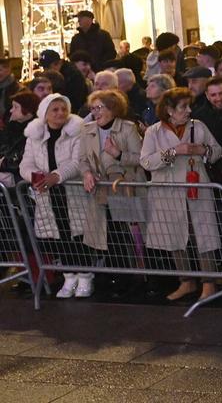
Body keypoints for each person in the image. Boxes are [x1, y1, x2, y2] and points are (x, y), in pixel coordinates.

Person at [139, 87, 222, 302]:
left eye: (189, 106)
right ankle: (186, 281)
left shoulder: (199, 126)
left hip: (197, 188)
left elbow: (217, 152)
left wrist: (203, 151)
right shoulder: (153, 132)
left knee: (203, 235)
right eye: (183, 107)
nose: (188, 111)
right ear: (169, 110)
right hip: (167, 191)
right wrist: (174, 152)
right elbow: (146, 161)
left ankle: (209, 283)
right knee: (174, 235)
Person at [20, 94, 91, 298]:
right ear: (45, 114)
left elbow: (78, 161)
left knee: (78, 235)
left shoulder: (77, 132)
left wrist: (56, 176)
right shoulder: (34, 136)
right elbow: (25, 164)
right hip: (46, 194)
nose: (60, 113)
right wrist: (35, 178)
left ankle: (85, 277)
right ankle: (69, 277)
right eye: (55, 109)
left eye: (63, 108)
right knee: (57, 237)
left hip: (72, 192)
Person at [75, 90, 145, 295]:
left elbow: (141, 159)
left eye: (99, 108)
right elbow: (82, 159)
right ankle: (116, 276)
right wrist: (86, 173)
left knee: (128, 235)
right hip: (100, 191)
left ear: (113, 108)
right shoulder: (87, 130)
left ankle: (135, 278)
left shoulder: (128, 128)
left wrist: (118, 154)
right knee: (109, 235)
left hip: (124, 188)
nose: (95, 113)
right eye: (93, 108)